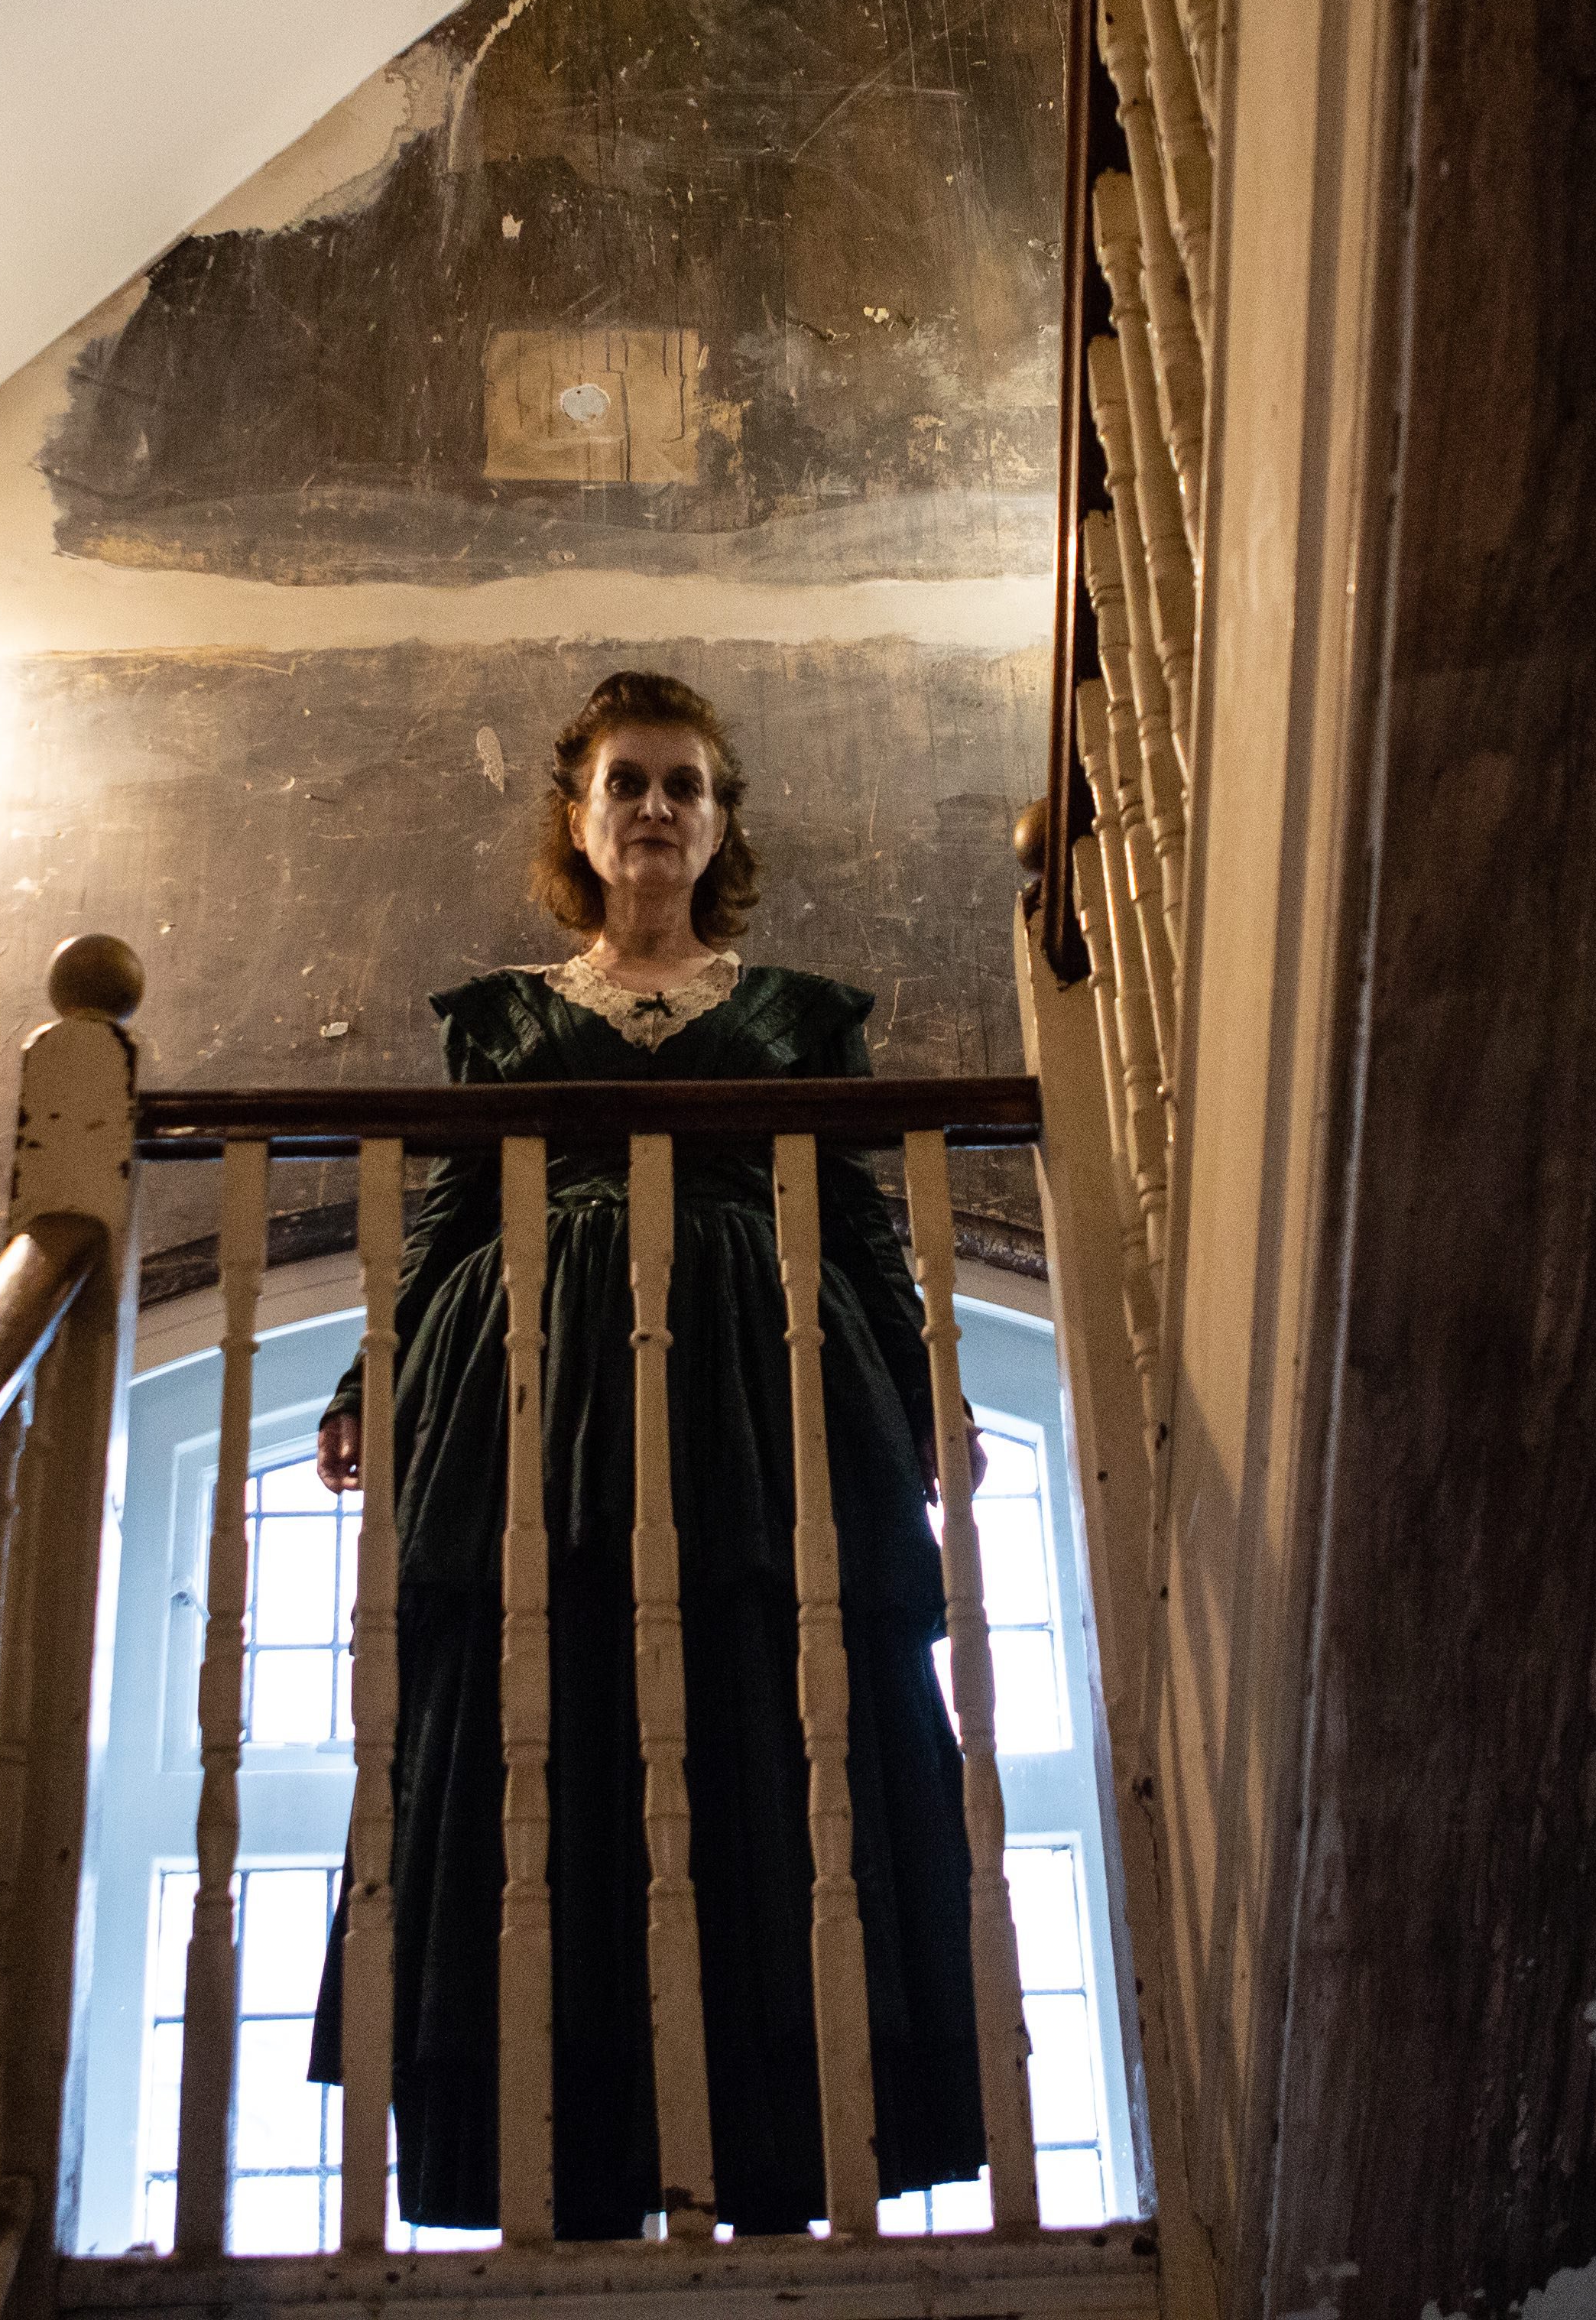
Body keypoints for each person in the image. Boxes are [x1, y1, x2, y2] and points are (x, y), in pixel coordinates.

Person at [306, 670, 987, 2239]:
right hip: (539, 1392)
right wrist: (372, 1375)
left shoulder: (804, 1017)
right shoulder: (503, 1017)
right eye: (630, 782)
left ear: (723, 819)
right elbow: (452, 1216)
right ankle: (568, 2155)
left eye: (687, 783)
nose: (658, 808)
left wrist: (925, 1384)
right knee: (548, 1698)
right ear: (581, 816)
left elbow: (866, 1225)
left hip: (761, 1386)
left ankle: (773, 2147)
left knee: (773, 1691)